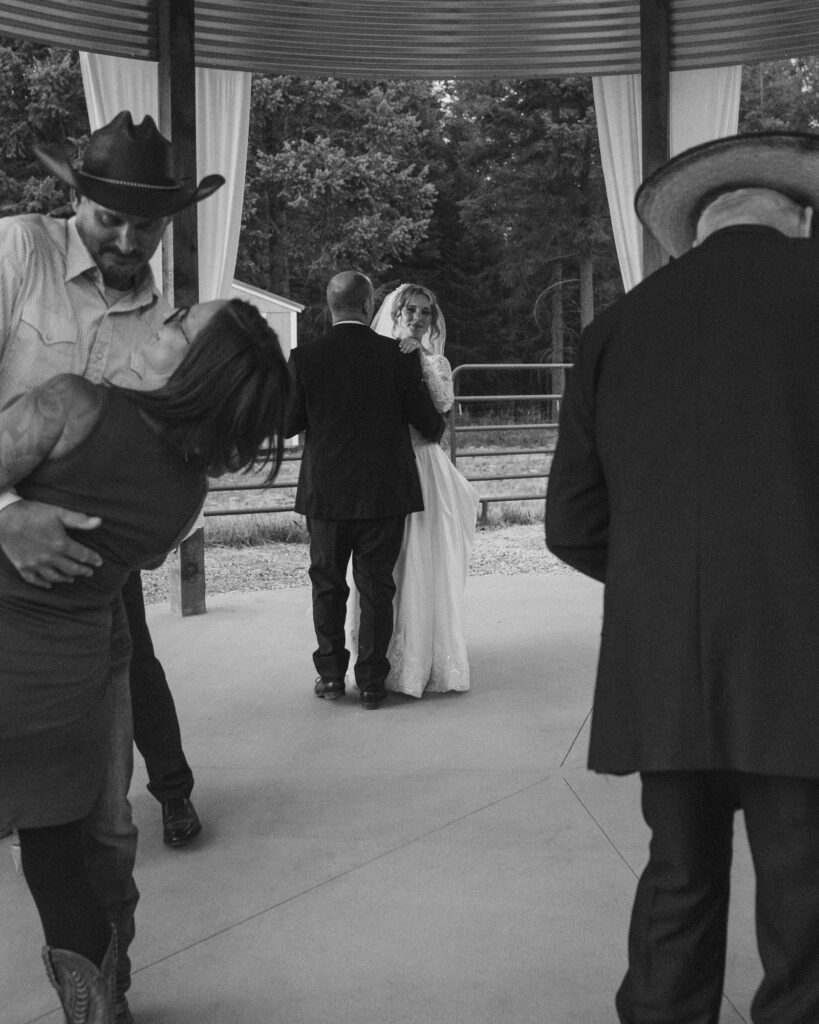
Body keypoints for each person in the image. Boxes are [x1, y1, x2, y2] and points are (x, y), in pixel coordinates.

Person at [545, 131, 819, 1024]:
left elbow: (572, 525)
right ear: (799, 217)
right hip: (802, 660)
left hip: (663, 663)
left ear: (694, 231)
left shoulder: (614, 330)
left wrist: (656, 583)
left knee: (677, 881)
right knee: (807, 909)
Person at [0, 296, 289, 1024]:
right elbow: (142, 555)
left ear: (193, 369)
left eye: (177, 326)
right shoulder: (186, 495)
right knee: (58, 859)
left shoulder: (71, 403)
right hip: (65, 686)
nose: (158, 325)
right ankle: (99, 1010)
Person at [0, 110, 223, 1020]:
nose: (129, 241)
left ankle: (104, 996)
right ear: (74, 200)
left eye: (148, 225)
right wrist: (5, 513)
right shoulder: (18, 252)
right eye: (109, 221)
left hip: (92, 598)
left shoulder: (164, 324)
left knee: (103, 823)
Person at [286, 270, 446, 709]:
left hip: (327, 493)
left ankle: (332, 677)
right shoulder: (397, 356)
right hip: (384, 492)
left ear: (329, 303)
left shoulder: (305, 358)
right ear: (369, 302)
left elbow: (286, 425)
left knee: (327, 585)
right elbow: (427, 423)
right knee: (377, 587)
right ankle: (373, 683)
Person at [346, 284, 479, 697]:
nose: (418, 318)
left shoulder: (436, 360)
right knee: (391, 564)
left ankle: (425, 656)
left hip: (426, 468)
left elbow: (439, 413)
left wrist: (418, 360)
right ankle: (378, 653)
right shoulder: (378, 359)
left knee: (426, 561)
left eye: (425, 312)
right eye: (410, 311)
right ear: (395, 313)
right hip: (389, 467)